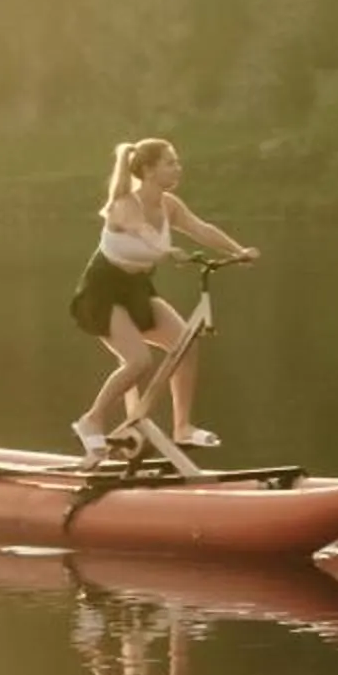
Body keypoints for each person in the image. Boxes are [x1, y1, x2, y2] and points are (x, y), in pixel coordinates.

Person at [68, 138, 257, 458]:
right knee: (139, 361)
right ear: (148, 169)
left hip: (137, 289)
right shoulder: (126, 204)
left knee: (185, 343)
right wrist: (168, 251)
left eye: (177, 162)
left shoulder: (170, 205)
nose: (177, 168)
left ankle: (182, 428)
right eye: (170, 162)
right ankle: (91, 420)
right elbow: (142, 231)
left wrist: (238, 251)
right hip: (102, 291)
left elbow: (201, 228)